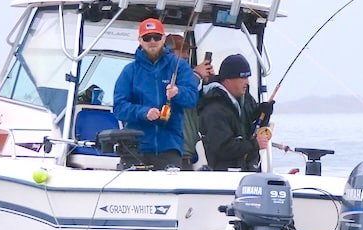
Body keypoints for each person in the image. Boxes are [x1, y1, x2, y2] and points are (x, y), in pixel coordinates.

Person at [112, 18, 201, 170]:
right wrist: (143, 112)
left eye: (156, 37)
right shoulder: (129, 71)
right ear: (140, 40)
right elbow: (119, 107)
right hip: (136, 148)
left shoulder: (179, 66)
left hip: (169, 147)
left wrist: (178, 92)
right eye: (147, 38)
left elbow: (192, 98)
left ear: (164, 38)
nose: (152, 41)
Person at [197, 54, 274, 171]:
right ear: (228, 79)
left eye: (248, 77)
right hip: (226, 176)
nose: (247, 82)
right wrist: (254, 144)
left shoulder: (247, 100)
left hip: (249, 171)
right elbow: (222, 147)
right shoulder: (214, 108)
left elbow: (254, 129)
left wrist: (264, 114)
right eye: (243, 78)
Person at [165, 33, 215, 170]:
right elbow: (171, 95)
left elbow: (199, 107)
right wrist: (196, 75)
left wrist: (209, 82)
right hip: (171, 152)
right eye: (181, 51)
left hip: (187, 153)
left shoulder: (187, 78)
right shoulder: (163, 75)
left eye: (187, 51)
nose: (186, 56)